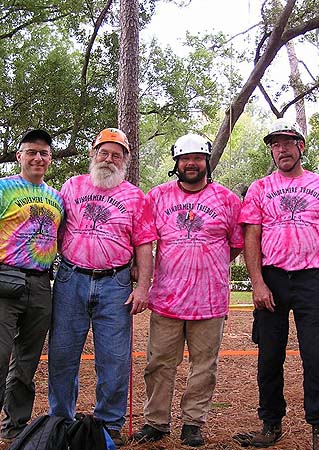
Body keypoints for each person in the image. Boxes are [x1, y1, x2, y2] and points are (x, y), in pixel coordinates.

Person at [238, 118, 319, 449]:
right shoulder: (259, 188)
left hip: (310, 280)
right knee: (269, 356)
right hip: (271, 279)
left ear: (300, 146)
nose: (281, 149)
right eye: (275, 144)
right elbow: (251, 236)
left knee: (316, 355)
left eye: (287, 143)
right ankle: (270, 424)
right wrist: (257, 283)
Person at [130, 134, 244, 447]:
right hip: (166, 299)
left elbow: (236, 244)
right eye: (184, 158)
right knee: (159, 365)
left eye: (197, 158)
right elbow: (143, 241)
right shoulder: (157, 197)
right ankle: (156, 422)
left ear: (207, 162)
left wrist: (208, 261)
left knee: (204, 367)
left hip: (209, 302)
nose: (191, 163)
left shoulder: (227, 200)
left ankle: (193, 422)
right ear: (176, 163)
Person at [47, 127, 157, 446]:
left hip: (116, 284)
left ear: (125, 161)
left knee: (114, 357)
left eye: (116, 154)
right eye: (103, 152)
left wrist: (142, 288)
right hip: (71, 279)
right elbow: (53, 230)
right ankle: (61, 420)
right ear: (93, 154)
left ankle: (109, 423)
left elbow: (144, 246)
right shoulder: (72, 186)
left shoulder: (135, 196)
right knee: (62, 353)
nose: (108, 159)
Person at [0, 129, 64, 450]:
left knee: (27, 362)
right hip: (4, 280)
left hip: (40, 284)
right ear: (19, 156)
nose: (38, 158)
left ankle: (15, 427)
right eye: (31, 152)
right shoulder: (1, 189)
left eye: (44, 153)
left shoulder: (56, 197)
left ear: (49, 159)